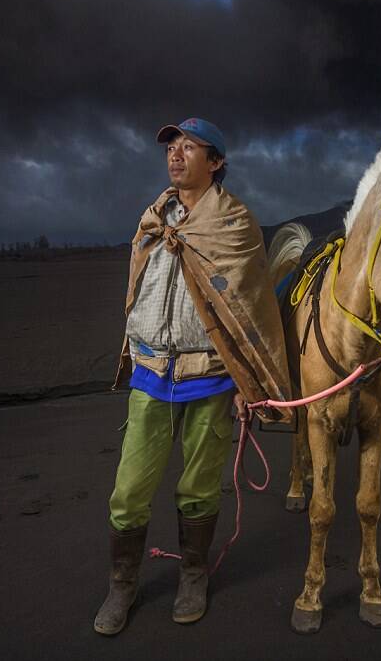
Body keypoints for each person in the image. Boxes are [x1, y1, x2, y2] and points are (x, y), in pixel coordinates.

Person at [94, 118, 292, 635]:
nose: (176, 155)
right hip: (152, 372)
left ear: (217, 161)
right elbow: (138, 287)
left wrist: (249, 386)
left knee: (200, 487)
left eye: (190, 148)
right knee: (130, 487)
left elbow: (250, 310)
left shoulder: (234, 223)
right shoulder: (155, 217)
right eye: (172, 147)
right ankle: (122, 585)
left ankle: (193, 574)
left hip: (209, 378)